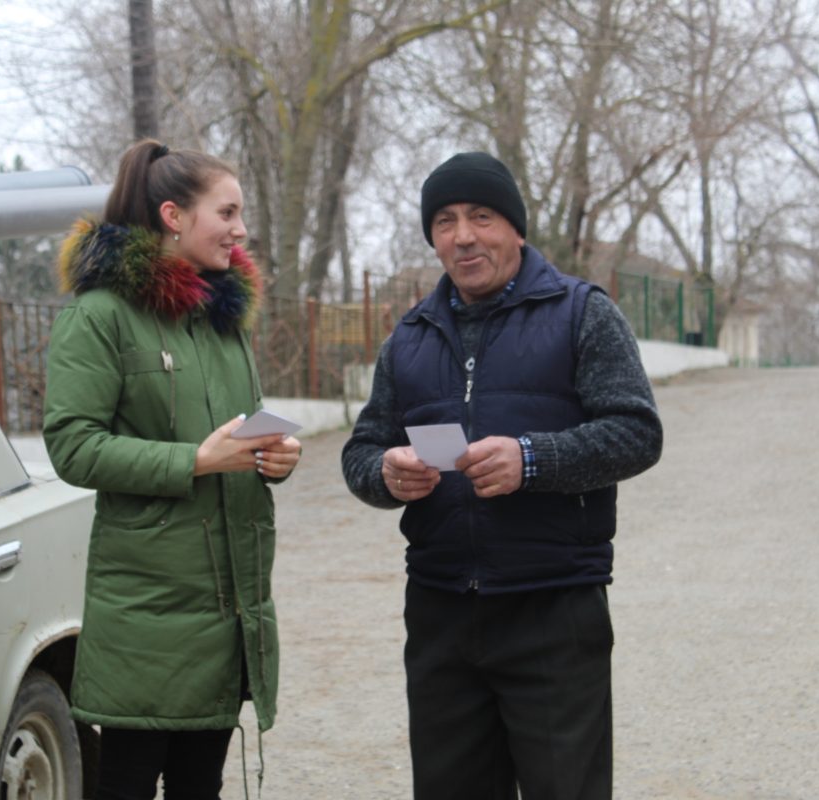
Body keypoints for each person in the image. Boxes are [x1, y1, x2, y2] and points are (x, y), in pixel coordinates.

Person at [341, 151, 663, 800]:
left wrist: (532, 459)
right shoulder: (409, 337)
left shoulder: (582, 313)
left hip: (552, 609)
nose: (463, 236)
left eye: (481, 217)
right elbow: (361, 451)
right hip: (440, 616)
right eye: (445, 222)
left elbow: (637, 433)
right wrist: (386, 472)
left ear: (515, 228)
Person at [42, 140, 301, 800]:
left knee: (200, 786)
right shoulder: (99, 316)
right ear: (173, 216)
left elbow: (245, 426)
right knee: (126, 785)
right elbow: (72, 446)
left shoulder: (222, 320)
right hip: (148, 614)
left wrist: (275, 457)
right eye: (228, 211)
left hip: (228, 609)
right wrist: (194, 461)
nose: (241, 229)